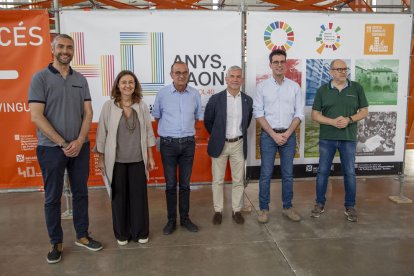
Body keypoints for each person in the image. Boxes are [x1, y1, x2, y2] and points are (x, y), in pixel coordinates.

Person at [28, 34, 103, 264]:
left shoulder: (80, 79)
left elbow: (88, 112)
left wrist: (80, 140)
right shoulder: (39, 78)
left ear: (73, 51)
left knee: (81, 193)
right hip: (51, 149)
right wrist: (62, 143)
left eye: (69, 47)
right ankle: (56, 243)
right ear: (53, 49)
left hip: (79, 146)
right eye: (60, 46)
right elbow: (36, 116)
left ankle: (82, 235)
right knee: (52, 197)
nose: (65, 50)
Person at [95, 70, 156, 245]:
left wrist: (150, 156)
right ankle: (122, 234)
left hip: (138, 159)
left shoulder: (142, 106)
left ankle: (141, 232)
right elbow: (102, 134)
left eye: (131, 82)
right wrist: (100, 159)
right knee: (119, 198)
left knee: (139, 198)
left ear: (135, 85)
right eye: (124, 82)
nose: (127, 85)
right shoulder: (109, 106)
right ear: (118, 85)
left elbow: (148, 132)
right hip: (116, 162)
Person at [310, 59, 368, 222]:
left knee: (349, 172)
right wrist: (332, 121)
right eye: (339, 69)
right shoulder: (323, 90)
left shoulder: (356, 88)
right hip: (327, 138)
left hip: (348, 139)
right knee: (322, 172)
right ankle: (319, 204)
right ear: (331, 72)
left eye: (345, 69)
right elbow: (314, 115)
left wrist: (349, 119)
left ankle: (350, 206)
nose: (343, 71)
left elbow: (364, 111)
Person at [253, 49, 304, 223]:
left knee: (288, 174)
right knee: (265, 173)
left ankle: (288, 207)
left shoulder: (294, 87)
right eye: (276, 62)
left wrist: (288, 133)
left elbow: (299, 114)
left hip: (289, 135)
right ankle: (264, 209)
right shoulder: (262, 88)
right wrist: (274, 135)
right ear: (270, 65)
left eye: (282, 61)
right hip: (269, 136)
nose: (279, 65)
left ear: (286, 64)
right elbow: (259, 114)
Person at [152, 61, 203, 235]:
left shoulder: (195, 94)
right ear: (171, 74)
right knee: (171, 184)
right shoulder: (162, 94)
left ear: (188, 74)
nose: (181, 75)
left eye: (185, 72)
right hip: (168, 144)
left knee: (185, 184)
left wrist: (186, 133)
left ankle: (185, 219)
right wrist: (170, 133)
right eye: (177, 72)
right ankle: (171, 220)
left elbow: (197, 118)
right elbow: (157, 117)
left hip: (188, 144)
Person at [204, 66, 253, 225]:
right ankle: (218, 210)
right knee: (217, 180)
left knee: (238, 179)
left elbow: (246, 122)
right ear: (226, 79)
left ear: (242, 80)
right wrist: (218, 135)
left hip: (238, 143)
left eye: (238, 76)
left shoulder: (247, 100)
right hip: (220, 144)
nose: (235, 79)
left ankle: (236, 210)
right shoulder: (216, 99)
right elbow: (208, 121)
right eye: (232, 76)